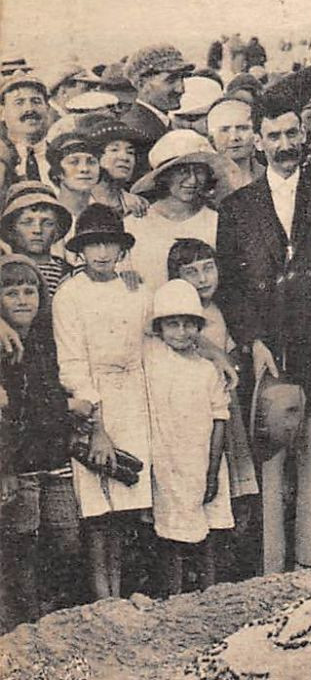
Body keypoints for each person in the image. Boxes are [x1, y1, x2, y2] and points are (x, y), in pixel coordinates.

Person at [216, 87, 311, 573]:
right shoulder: (237, 208)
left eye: (292, 134)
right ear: (258, 142)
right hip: (268, 355)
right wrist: (253, 341)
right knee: (272, 463)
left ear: (305, 136)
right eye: (274, 136)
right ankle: (270, 570)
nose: (285, 144)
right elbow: (231, 286)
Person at [51, 205, 152, 599]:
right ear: (80, 251)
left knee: (126, 498)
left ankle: (121, 591)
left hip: (135, 396)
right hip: (93, 399)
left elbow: (152, 336)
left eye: (109, 242)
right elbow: (72, 361)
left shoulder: (136, 289)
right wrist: (97, 427)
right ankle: (102, 597)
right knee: (97, 505)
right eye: (93, 244)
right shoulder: (70, 294)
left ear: (121, 247)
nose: (102, 253)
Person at [0, 255, 75, 628]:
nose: (22, 299)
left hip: (55, 460)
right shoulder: (4, 349)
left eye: (30, 291)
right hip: (19, 465)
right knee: (22, 543)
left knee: (65, 538)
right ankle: (25, 623)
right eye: (11, 292)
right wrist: (6, 470)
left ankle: (54, 618)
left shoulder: (47, 342)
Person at [143, 279, 230, 594]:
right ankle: (174, 596)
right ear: (160, 328)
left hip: (203, 459)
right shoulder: (152, 358)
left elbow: (220, 418)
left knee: (206, 528)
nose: (181, 332)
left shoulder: (207, 370)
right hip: (167, 458)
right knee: (171, 532)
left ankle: (210, 592)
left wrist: (212, 469)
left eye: (188, 324)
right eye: (173, 324)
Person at [168, 238, 257, 507]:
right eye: (191, 272)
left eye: (208, 268)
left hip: (226, 405)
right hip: (189, 407)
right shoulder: (175, 314)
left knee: (232, 486)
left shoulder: (222, 309)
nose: (203, 279)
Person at [123, 130, 232, 291]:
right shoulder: (134, 223)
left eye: (199, 171)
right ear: (165, 175)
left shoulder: (218, 221)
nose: (192, 180)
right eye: (183, 171)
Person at [0, 182, 73, 296]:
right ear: (11, 230)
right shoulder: (2, 270)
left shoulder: (71, 274)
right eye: (27, 223)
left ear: (57, 230)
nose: (37, 230)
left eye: (48, 223)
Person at [2, 75, 52, 185]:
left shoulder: (63, 158)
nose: (29, 109)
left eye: (36, 101)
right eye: (19, 102)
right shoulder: (3, 162)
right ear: (2, 113)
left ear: (48, 109)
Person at [205, 96, 261, 192]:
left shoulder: (271, 176)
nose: (234, 137)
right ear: (211, 138)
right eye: (224, 130)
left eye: (242, 128)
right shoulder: (204, 184)